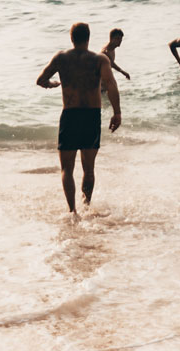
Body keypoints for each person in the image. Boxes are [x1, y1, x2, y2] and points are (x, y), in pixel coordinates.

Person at [36, 22, 122, 215]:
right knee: (88, 169)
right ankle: (87, 206)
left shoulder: (61, 58)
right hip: (91, 116)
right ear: (88, 38)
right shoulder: (100, 59)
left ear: (71, 38)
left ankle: (72, 211)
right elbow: (111, 85)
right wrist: (117, 113)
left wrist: (52, 84)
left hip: (70, 115)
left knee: (67, 169)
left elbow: (40, 80)